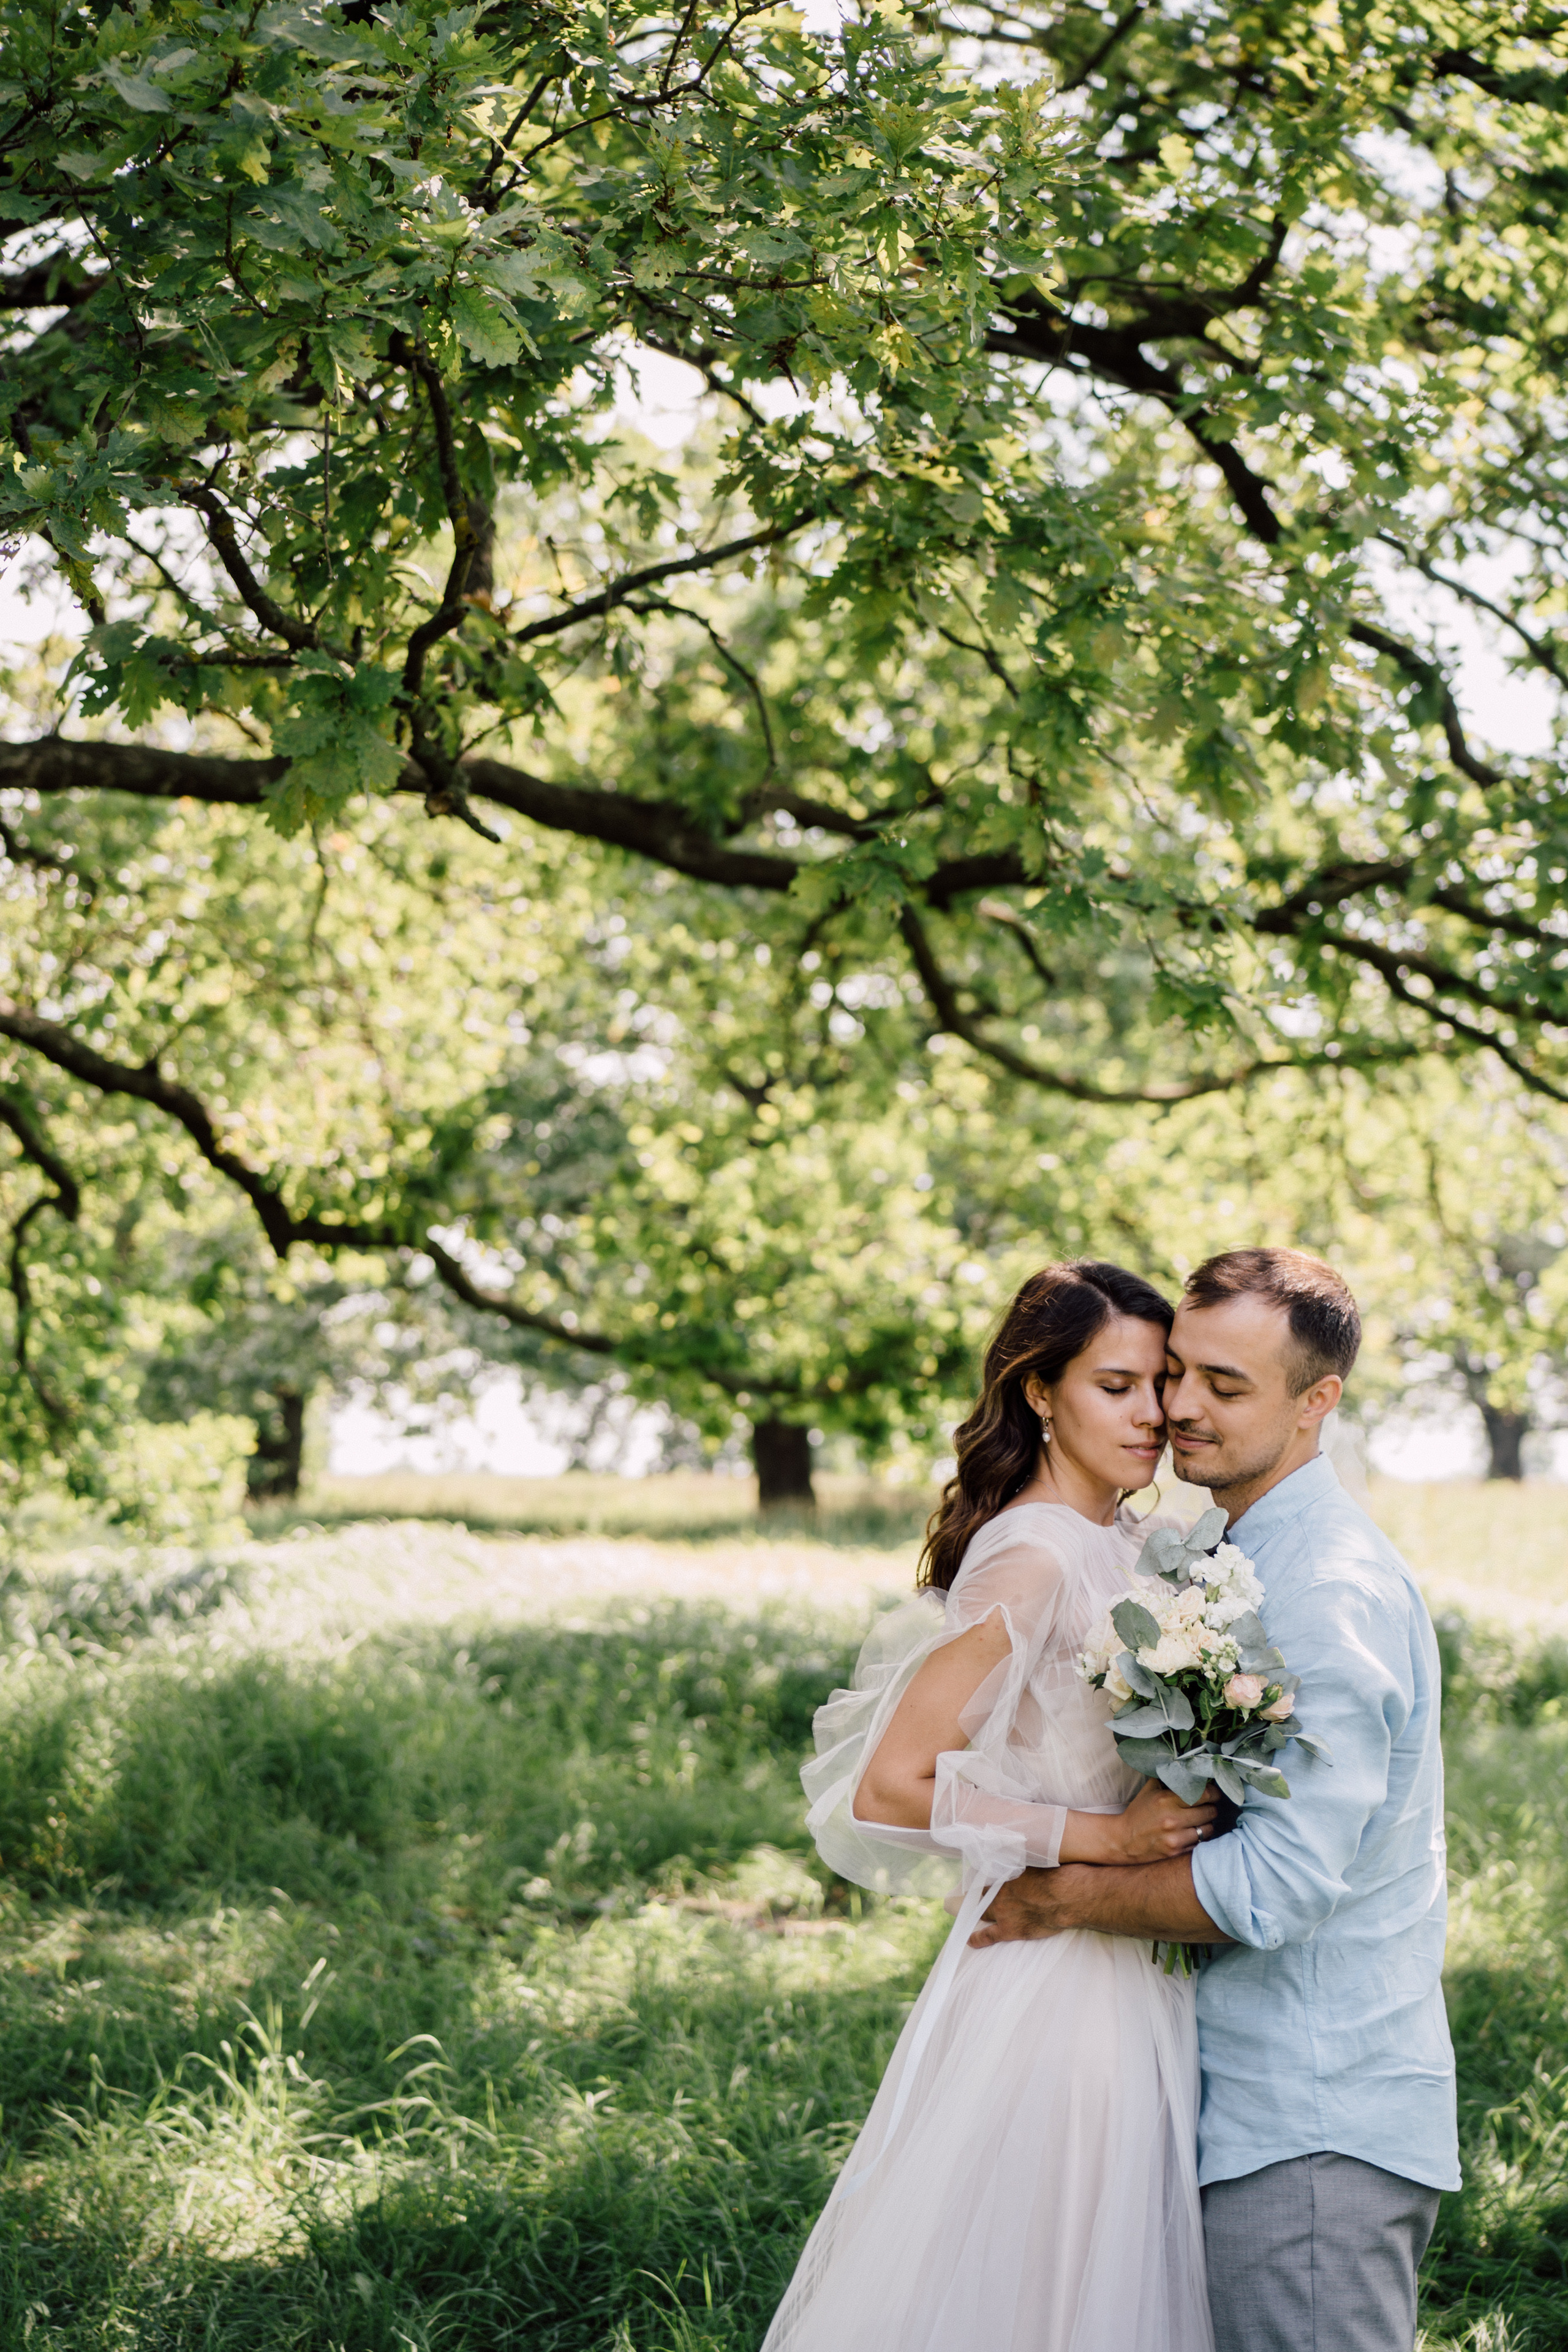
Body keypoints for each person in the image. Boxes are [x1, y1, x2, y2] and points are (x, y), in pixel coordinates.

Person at [973, 1248, 1460, 2352]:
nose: (1179, 1408)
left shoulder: (1325, 1589)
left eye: (1225, 1387)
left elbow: (1276, 1883)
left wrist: (1061, 1897)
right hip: (1231, 2104)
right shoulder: (1233, 1554)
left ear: (1316, 1402)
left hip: (1311, 2128)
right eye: (1175, 1372)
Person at [761, 1261, 1220, 2352]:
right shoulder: (1034, 1554)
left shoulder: (1128, 1545)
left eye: (1160, 1384)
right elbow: (890, 1785)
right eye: (1116, 1386)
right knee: (1043, 2279)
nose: (1152, 1414)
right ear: (1039, 1392)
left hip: (1132, 1958)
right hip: (1053, 1976)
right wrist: (1107, 1838)